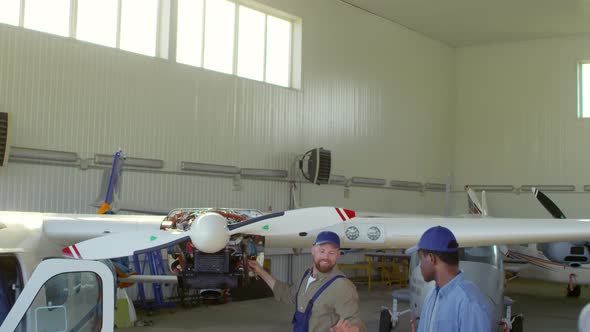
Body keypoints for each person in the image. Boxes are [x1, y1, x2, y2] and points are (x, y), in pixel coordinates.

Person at [248, 231, 365, 332]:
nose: (326, 257)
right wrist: (260, 271)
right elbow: (288, 294)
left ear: (338, 255)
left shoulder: (342, 285)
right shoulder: (306, 275)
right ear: (313, 250)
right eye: (322, 251)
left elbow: (355, 322)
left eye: (331, 253)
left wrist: (349, 330)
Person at [405, 226, 492, 332]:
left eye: (421, 259)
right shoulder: (432, 296)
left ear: (431, 258)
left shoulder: (470, 303)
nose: (420, 265)